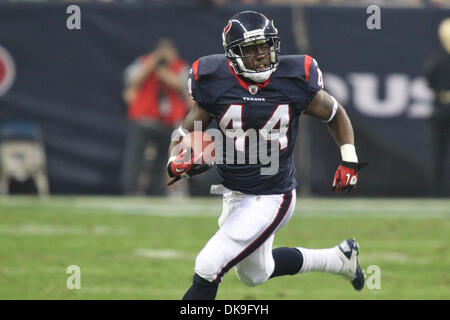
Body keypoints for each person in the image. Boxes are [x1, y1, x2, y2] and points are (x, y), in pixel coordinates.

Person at [167, 11, 368, 300]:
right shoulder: (213, 79)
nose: (261, 56)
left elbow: (335, 114)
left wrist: (349, 159)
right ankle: (340, 259)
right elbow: (186, 131)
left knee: (208, 264)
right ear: (233, 55)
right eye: (251, 49)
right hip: (234, 192)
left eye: (265, 46)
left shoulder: (295, 77)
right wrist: (176, 162)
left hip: (273, 194)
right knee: (255, 274)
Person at [122, 39, 191, 196]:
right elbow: (131, 80)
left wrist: (167, 73)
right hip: (144, 119)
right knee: (135, 157)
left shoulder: (179, 67)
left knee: (163, 160)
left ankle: (157, 192)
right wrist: (152, 63)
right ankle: (131, 190)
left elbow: (186, 87)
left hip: (168, 122)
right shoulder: (144, 62)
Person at [424, 18, 450, 198]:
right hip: (442, 110)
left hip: (441, 109)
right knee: (439, 154)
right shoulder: (438, 61)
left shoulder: (436, 61)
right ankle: (437, 193)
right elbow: (430, 81)